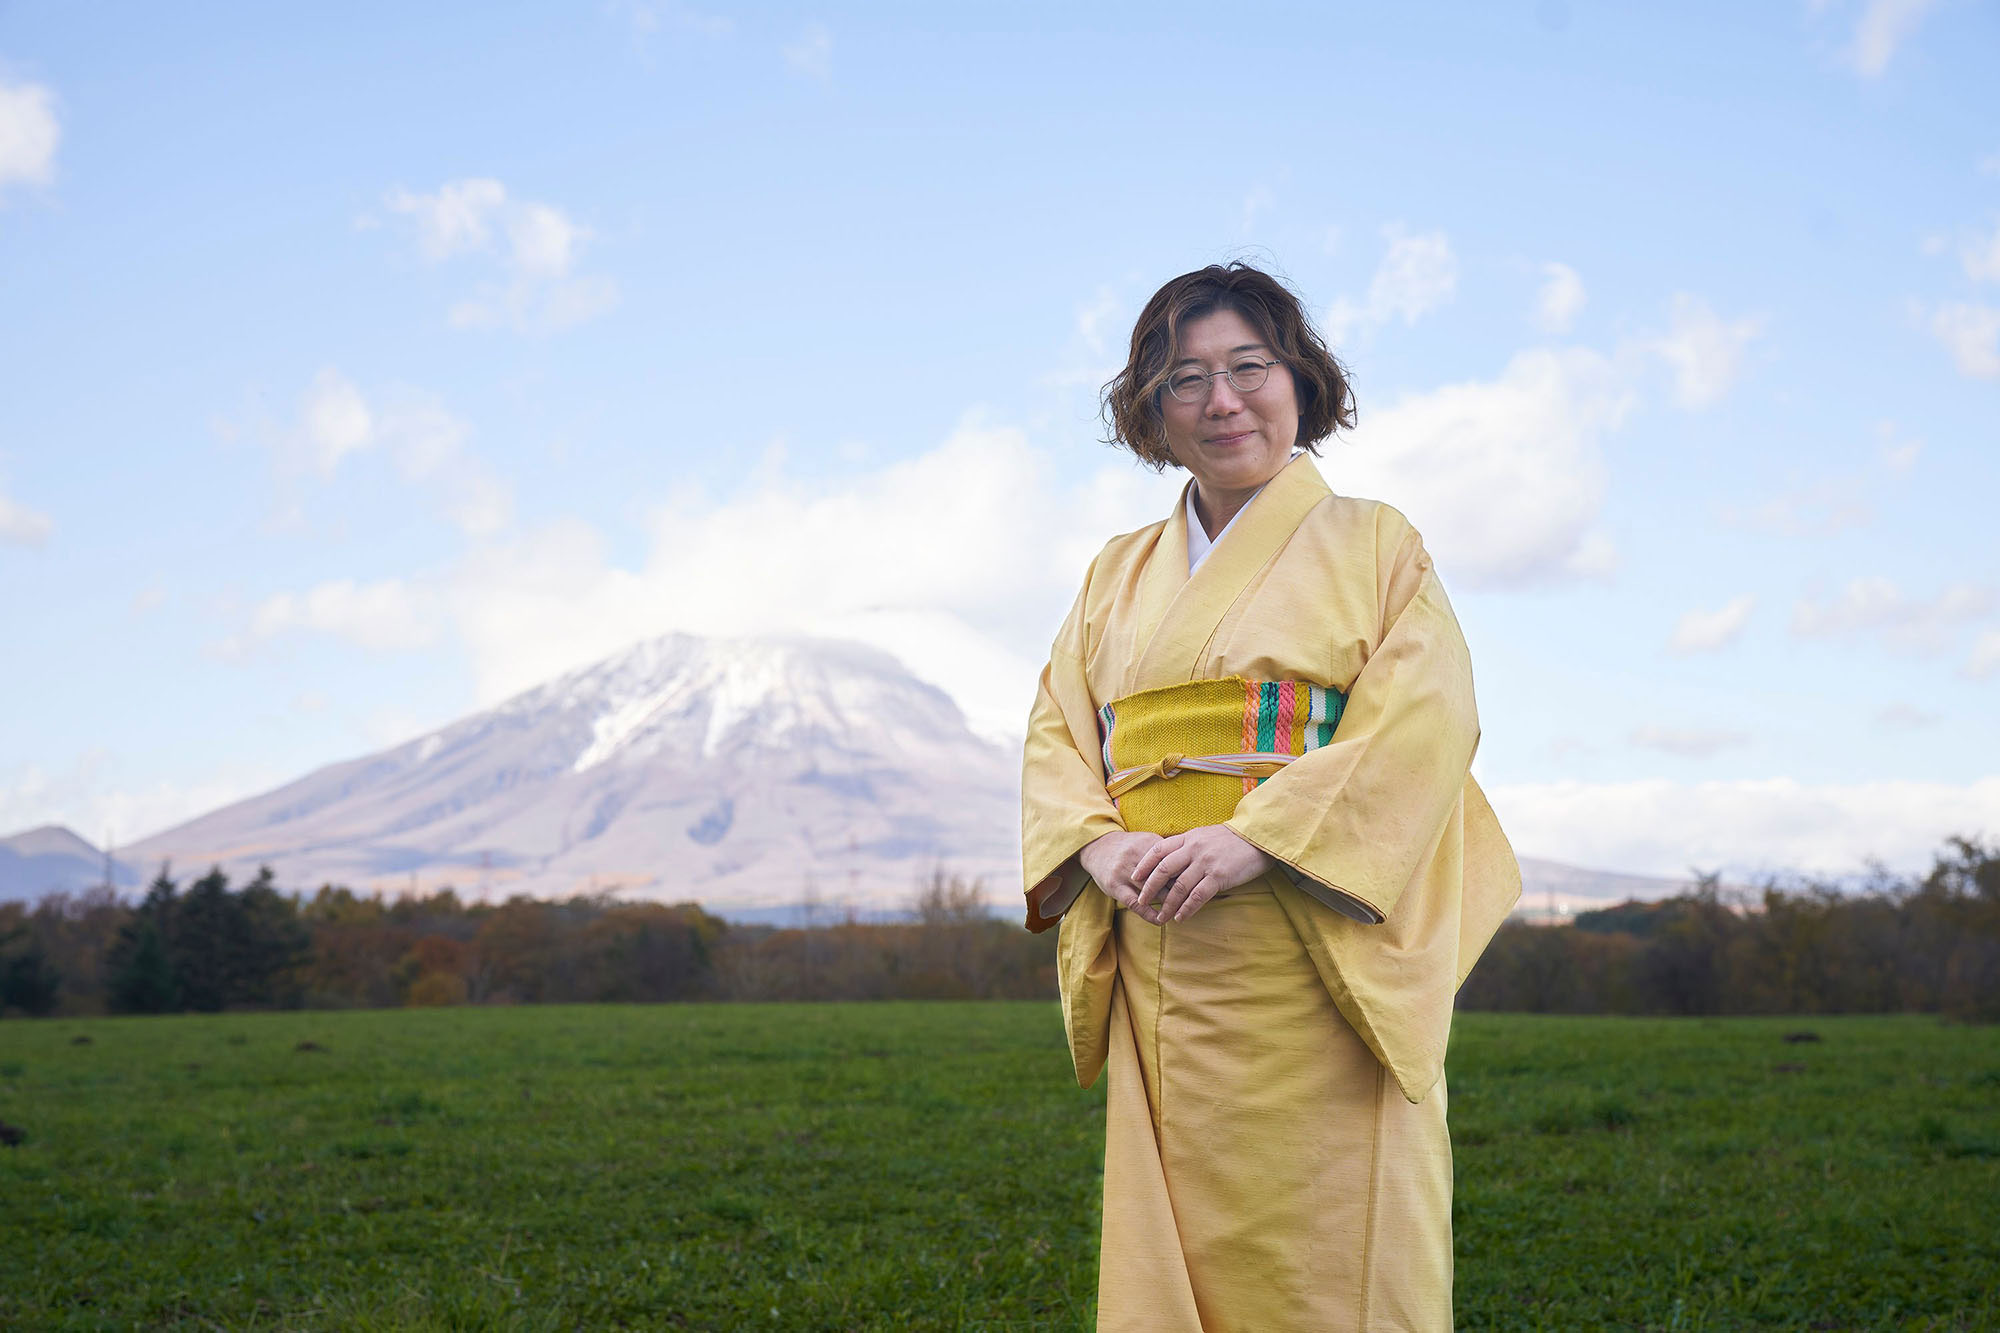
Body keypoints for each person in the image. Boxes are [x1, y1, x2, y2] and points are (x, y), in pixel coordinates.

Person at [1020, 261, 1521, 1331]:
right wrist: (1100, 850)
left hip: (1316, 959)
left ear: (1298, 379)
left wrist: (1260, 839)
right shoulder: (1115, 571)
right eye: (1184, 378)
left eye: (1247, 367)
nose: (1220, 400)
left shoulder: (1375, 544)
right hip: (1165, 949)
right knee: (1181, 1249)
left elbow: (1424, 719)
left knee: (1341, 1246)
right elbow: (1059, 728)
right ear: (1150, 408)